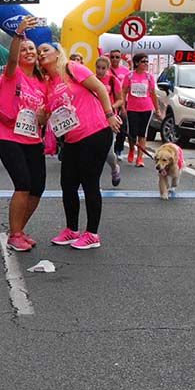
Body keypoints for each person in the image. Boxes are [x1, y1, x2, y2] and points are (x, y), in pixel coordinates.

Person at [40, 44, 122, 250]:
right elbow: (47, 115)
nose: (41, 53)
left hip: (95, 132)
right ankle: (72, 230)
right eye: (39, 51)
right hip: (71, 139)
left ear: (58, 53)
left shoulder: (72, 68)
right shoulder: (48, 83)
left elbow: (100, 88)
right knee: (67, 184)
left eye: (45, 50)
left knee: (89, 183)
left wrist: (110, 114)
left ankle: (92, 234)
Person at [0, 17, 47, 252]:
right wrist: (18, 34)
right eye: (25, 49)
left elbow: (44, 116)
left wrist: (43, 117)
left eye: (32, 49)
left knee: (37, 188)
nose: (28, 52)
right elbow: (13, 58)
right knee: (23, 184)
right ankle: (15, 234)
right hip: (10, 137)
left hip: (33, 139)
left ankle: (18, 229)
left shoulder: (41, 82)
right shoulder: (12, 74)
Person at [122, 53, 159, 168]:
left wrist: (157, 109)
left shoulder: (149, 77)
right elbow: (123, 92)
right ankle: (132, 149)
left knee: (142, 133)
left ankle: (140, 157)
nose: (146, 64)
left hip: (146, 108)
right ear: (137, 63)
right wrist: (122, 106)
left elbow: (153, 94)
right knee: (132, 132)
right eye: (143, 61)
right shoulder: (129, 76)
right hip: (132, 108)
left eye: (147, 61)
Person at [93, 56, 124, 187]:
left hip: (109, 120)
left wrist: (111, 107)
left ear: (108, 68)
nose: (100, 71)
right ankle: (94, 182)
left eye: (103, 68)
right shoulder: (91, 80)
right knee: (93, 153)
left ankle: (114, 168)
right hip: (93, 120)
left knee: (108, 153)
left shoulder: (112, 80)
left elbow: (120, 99)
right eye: (98, 68)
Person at [108, 50, 130, 157]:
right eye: (112, 57)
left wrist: (124, 106)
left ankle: (119, 149)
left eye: (117, 57)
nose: (115, 59)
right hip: (110, 101)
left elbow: (127, 88)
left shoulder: (125, 71)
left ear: (120, 58)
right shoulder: (105, 70)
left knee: (122, 127)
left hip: (122, 101)